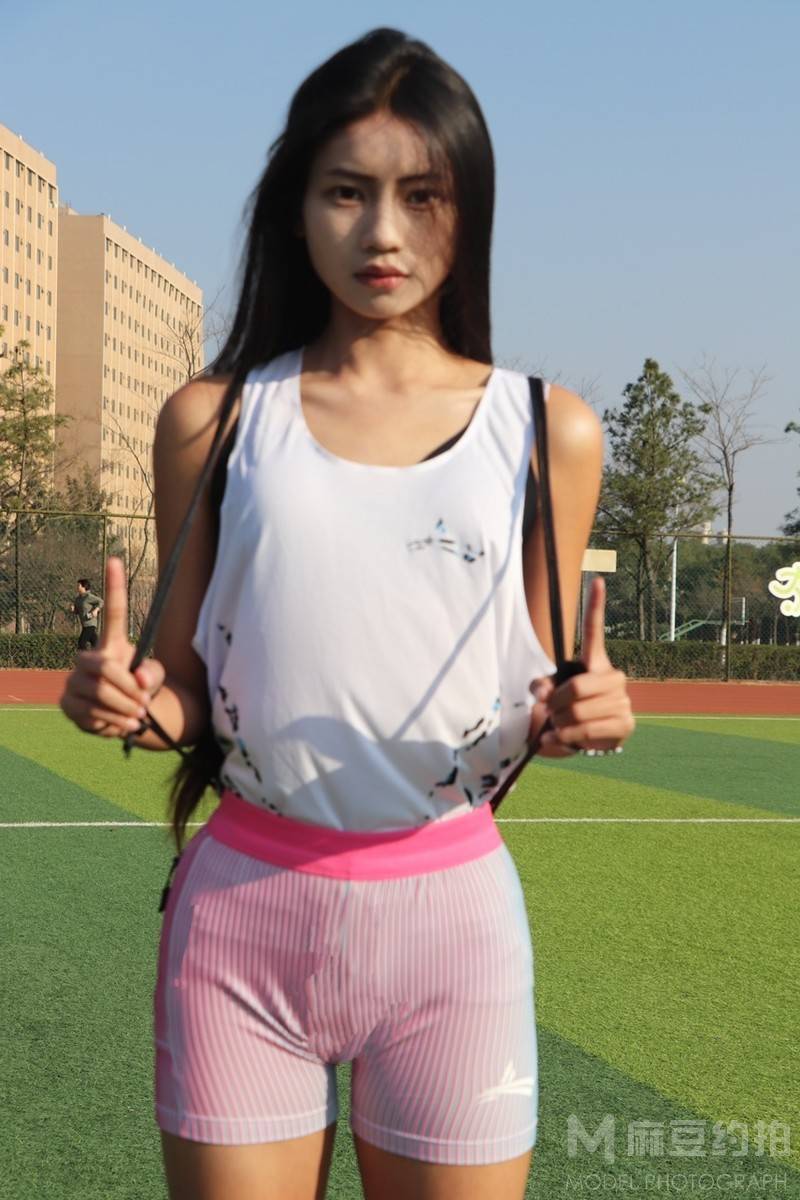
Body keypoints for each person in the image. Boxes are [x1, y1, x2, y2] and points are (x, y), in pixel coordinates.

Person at [59, 27, 635, 1200]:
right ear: (294, 207)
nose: (381, 232)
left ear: (470, 211)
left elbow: (536, 693)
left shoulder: (547, 432)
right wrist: (127, 700)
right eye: (345, 191)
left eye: (421, 196)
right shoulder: (213, 422)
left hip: (450, 935)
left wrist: (584, 711)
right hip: (241, 931)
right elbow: (183, 693)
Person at [70, 577, 104, 650]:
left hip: (90, 624)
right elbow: (77, 612)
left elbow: (101, 601)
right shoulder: (78, 599)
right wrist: (73, 610)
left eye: (79, 585)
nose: (77, 587)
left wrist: (96, 610)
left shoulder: (89, 597)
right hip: (84, 624)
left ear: (84, 587)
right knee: (95, 644)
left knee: (81, 643)